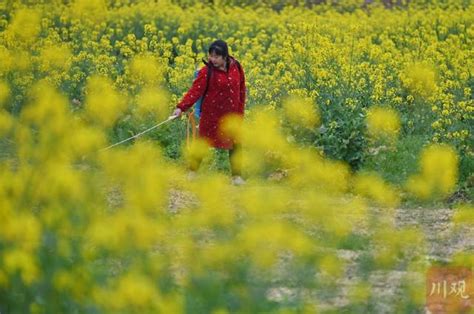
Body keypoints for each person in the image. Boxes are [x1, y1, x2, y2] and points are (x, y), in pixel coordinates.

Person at [173, 39, 246, 185]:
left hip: (232, 115)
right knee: (202, 143)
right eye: (210, 56)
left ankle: (237, 177)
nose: (212, 59)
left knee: (236, 143)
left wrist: (240, 111)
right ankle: (192, 173)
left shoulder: (236, 67)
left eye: (216, 56)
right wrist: (181, 107)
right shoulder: (206, 72)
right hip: (212, 115)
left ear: (225, 56)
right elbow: (195, 91)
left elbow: (241, 89)